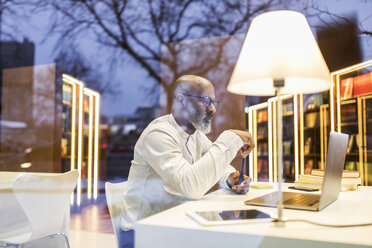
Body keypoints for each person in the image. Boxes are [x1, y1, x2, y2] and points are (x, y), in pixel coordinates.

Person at [119, 75, 255, 248]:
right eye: (205, 101)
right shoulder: (159, 135)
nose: (212, 109)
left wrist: (230, 178)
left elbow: (212, 165)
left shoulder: (195, 135)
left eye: (214, 102)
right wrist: (230, 139)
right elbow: (190, 186)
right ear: (181, 100)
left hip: (174, 225)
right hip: (142, 234)